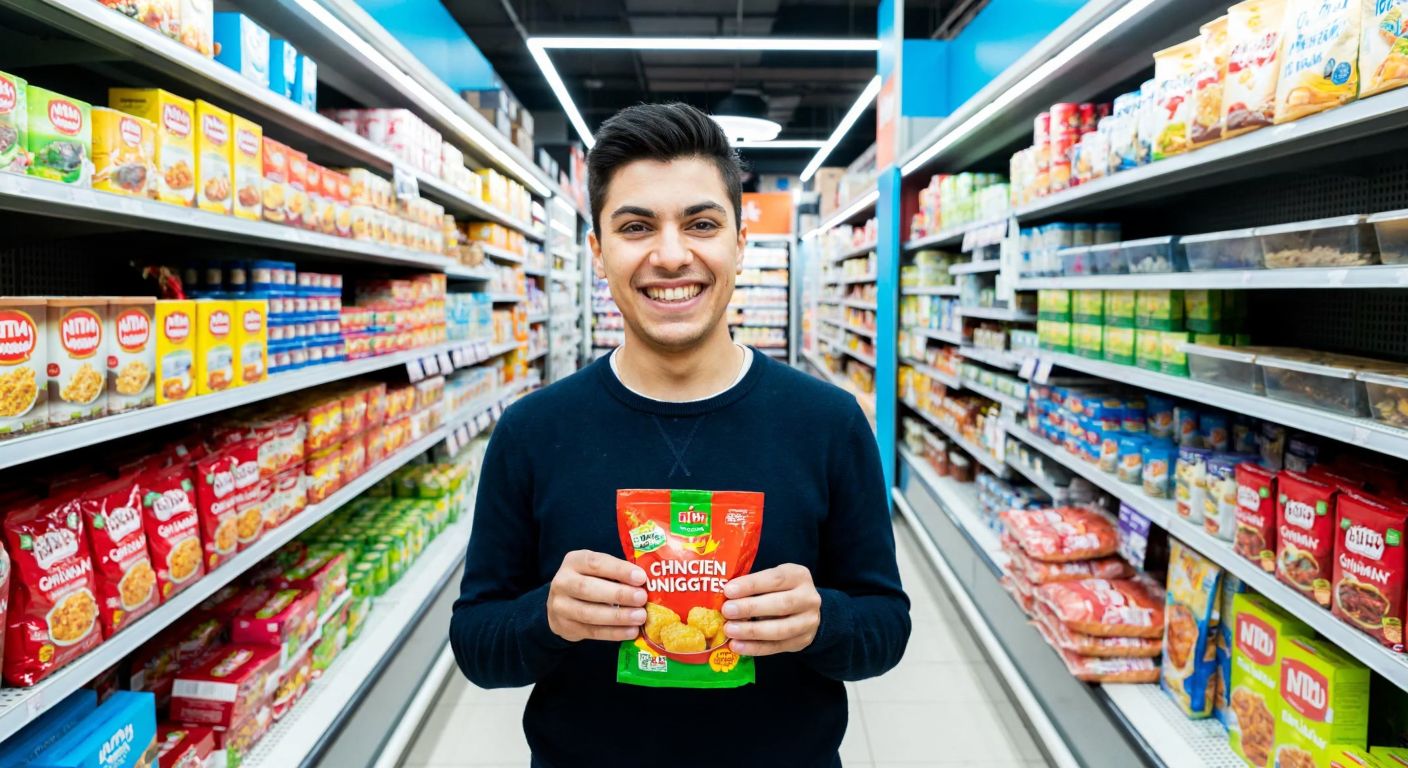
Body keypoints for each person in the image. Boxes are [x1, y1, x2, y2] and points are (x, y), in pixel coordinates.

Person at [449, 102, 910, 768]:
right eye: (637, 226)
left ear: (740, 243)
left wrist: (823, 621)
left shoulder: (828, 423)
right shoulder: (532, 432)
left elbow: (886, 627)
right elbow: (476, 643)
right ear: (597, 250)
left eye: (700, 223)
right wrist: (545, 616)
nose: (671, 256)